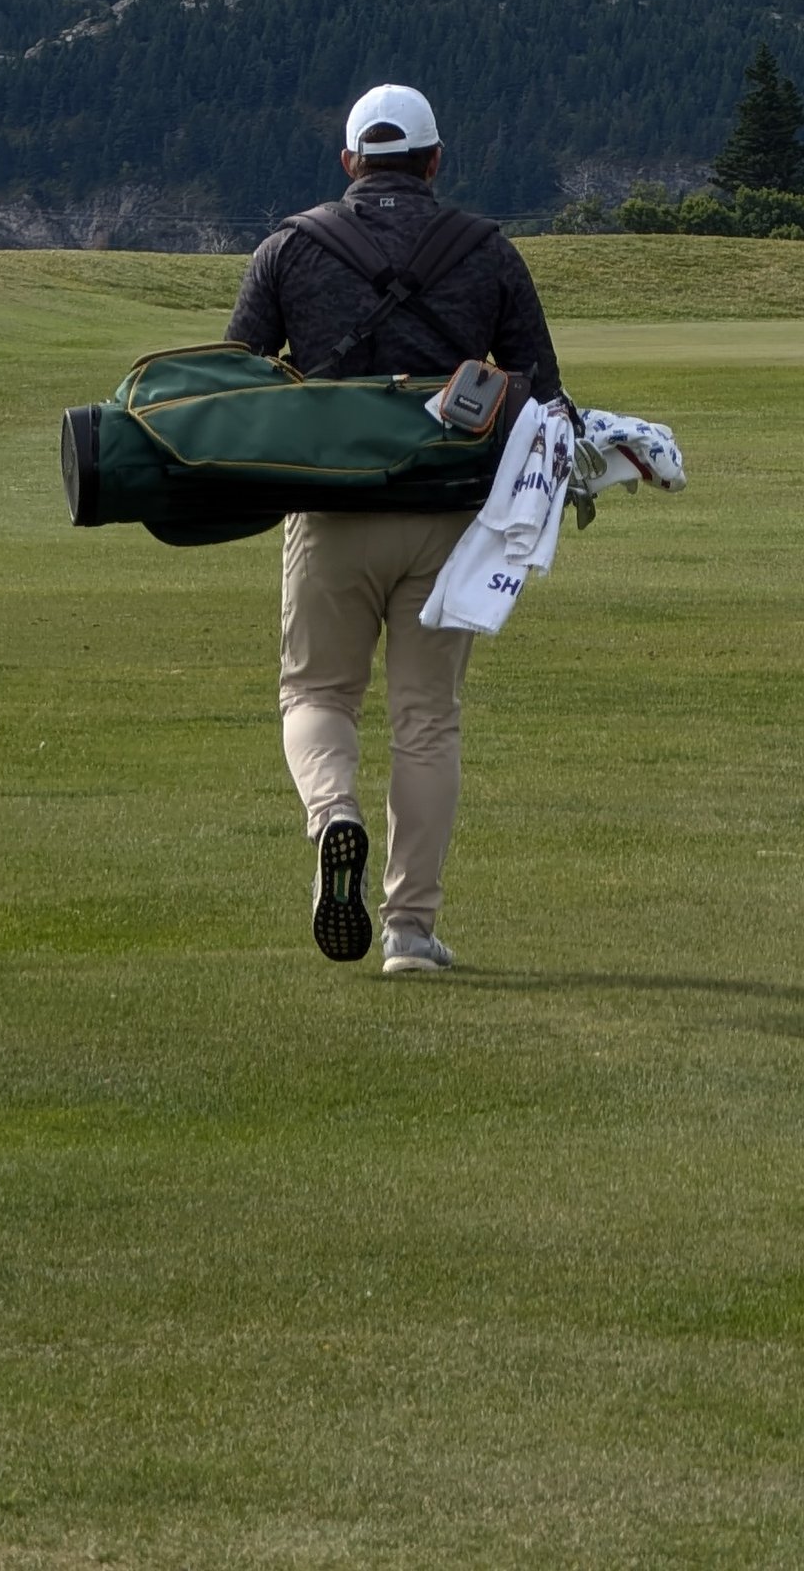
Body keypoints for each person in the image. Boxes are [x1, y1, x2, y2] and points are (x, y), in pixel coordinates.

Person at [226, 82, 564, 975]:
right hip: (449, 521)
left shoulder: (287, 250)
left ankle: (333, 814)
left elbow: (234, 389)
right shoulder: (486, 250)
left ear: (349, 163)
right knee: (427, 724)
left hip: (332, 514)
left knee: (316, 697)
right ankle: (410, 932)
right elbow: (546, 391)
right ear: (433, 162)